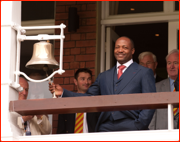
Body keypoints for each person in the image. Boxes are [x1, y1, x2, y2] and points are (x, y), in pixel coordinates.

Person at [49, 36, 156, 132]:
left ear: (132, 51)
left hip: (131, 126)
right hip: (106, 127)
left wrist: (140, 124)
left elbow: (151, 102)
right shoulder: (104, 76)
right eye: (117, 47)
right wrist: (64, 92)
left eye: (125, 47)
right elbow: (88, 98)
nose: (120, 50)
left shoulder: (144, 72)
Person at [56, 68, 100, 134]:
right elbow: (61, 130)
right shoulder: (67, 102)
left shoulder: (96, 102)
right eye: (83, 79)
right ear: (75, 82)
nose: (86, 82)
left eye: (89, 79)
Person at [149, 49, 179, 130]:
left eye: (175, 63)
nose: (171, 66)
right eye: (169, 63)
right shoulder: (156, 87)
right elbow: (151, 118)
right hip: (162, 135)